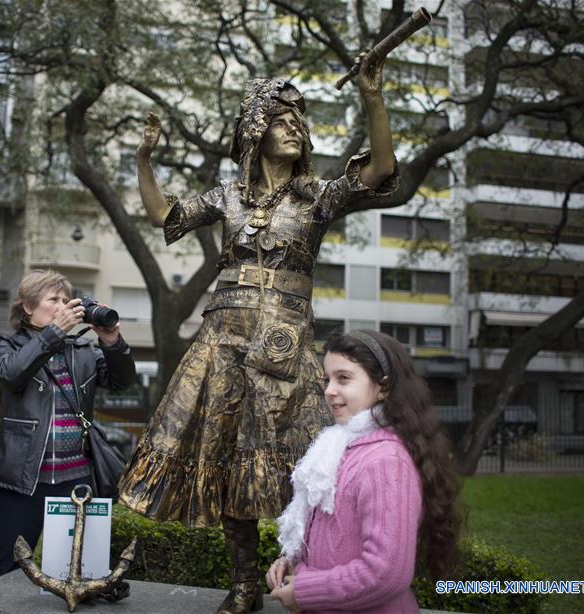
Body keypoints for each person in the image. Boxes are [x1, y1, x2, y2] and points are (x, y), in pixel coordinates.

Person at [118, 53, 400, 612]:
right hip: (224, 340)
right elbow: (164, 216)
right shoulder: (228, 195)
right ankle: (244, 582)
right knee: (227, 461)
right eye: (282, 118)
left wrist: (372, 96)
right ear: (255, 129)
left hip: (287, 347)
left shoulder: (316, 196)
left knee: (315, 466)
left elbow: (379, 170)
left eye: (301, 120)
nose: (295, 127)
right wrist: (145, 161)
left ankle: (316, 571)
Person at [265, 330, 461, 613]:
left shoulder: (385, 461)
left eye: (343, 378)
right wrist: (294, 565)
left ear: (383, 388)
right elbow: (332, 540)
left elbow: (386, 573)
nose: (329, 390)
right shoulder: (339, 447)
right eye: (327, 379)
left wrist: (304, 591)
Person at [0, 269, 136, 580]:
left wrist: (111, 340)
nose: (63, 305)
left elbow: (122, 381)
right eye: (53, 299)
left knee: (80, 571)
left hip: (76, 479)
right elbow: (11, 374)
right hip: (23, 479)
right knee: (6, 567)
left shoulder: (82, 350)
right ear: (27, 306)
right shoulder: (6, 346)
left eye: (66, 299)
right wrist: (52, 333)